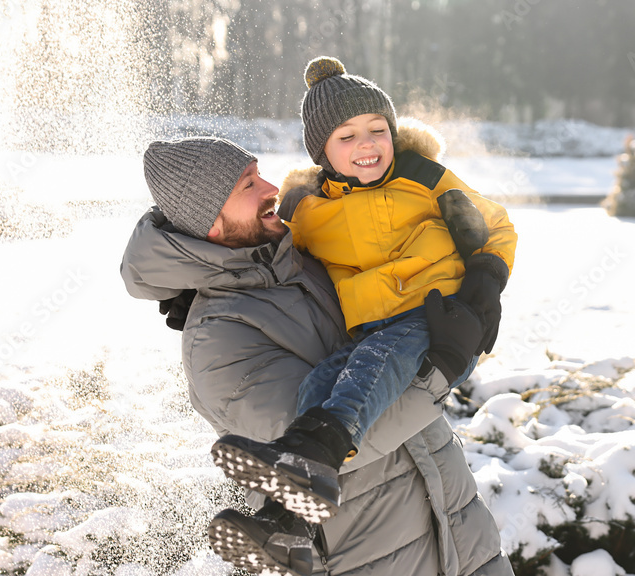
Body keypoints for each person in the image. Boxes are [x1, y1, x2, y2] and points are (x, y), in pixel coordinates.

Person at [121, 135, 531, 576]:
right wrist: (442, 369)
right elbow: (331, 451)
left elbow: (397, 246)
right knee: (321, 438)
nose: (271, 188)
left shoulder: (308, 258)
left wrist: (472, 280)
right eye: (248, 185)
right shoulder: (217, 340)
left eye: (260, 173)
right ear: (211, 226)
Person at [211, 56, 517, 536]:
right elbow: (267, 254)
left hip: (434, 316)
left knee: (370, 368)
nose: (367, 144)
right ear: (322, 152)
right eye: (346, 136)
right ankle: (285, 523)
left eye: (377, 129)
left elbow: (493, 224)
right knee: (320, 385)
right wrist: (199, 286)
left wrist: (485, 282)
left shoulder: (424, 177)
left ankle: (320, 450)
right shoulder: (307, 209)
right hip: (366, 327)